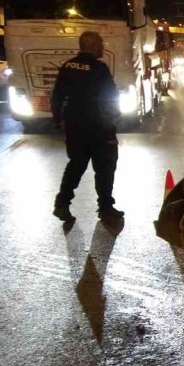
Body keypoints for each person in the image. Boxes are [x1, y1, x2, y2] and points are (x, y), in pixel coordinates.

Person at [51, 31, 123, 223]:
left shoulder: (68, 66)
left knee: (76, 165)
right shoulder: (99, 69)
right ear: (91, 46)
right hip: (99, 126)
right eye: (100, 44)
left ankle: (62, 204)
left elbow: (57, 94)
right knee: (105, 167)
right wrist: (115, 117)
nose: (103, 47)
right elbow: (111, 95)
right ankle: (106, 208)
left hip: (75, 125)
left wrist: (57, 119)